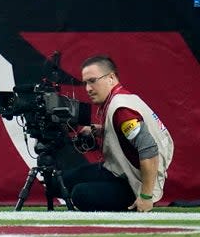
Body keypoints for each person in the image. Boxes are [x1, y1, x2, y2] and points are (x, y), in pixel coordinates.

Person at [61, 55, 173, 212]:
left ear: (111, 78)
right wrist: (100, 130)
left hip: (136, 183)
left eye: (92, 81)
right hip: (122, 172)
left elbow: (149, 150)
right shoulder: (122, 97)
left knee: (80, 194)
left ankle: (140, 199)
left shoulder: (121, 110)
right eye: (85, 83)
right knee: (61, 181)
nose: (88, 89)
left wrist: (146, 197)